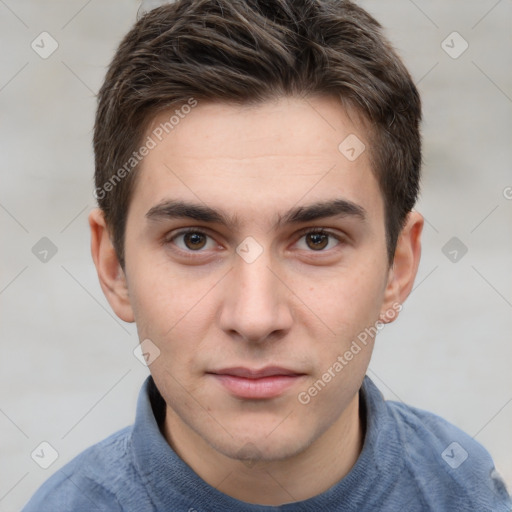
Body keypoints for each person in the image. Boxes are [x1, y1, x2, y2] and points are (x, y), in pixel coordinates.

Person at [23, 0, 511, 510]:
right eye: (194, 240)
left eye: (317, 240)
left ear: (398, 267)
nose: (255, 318)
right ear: (113, 266)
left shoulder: (468, 492)